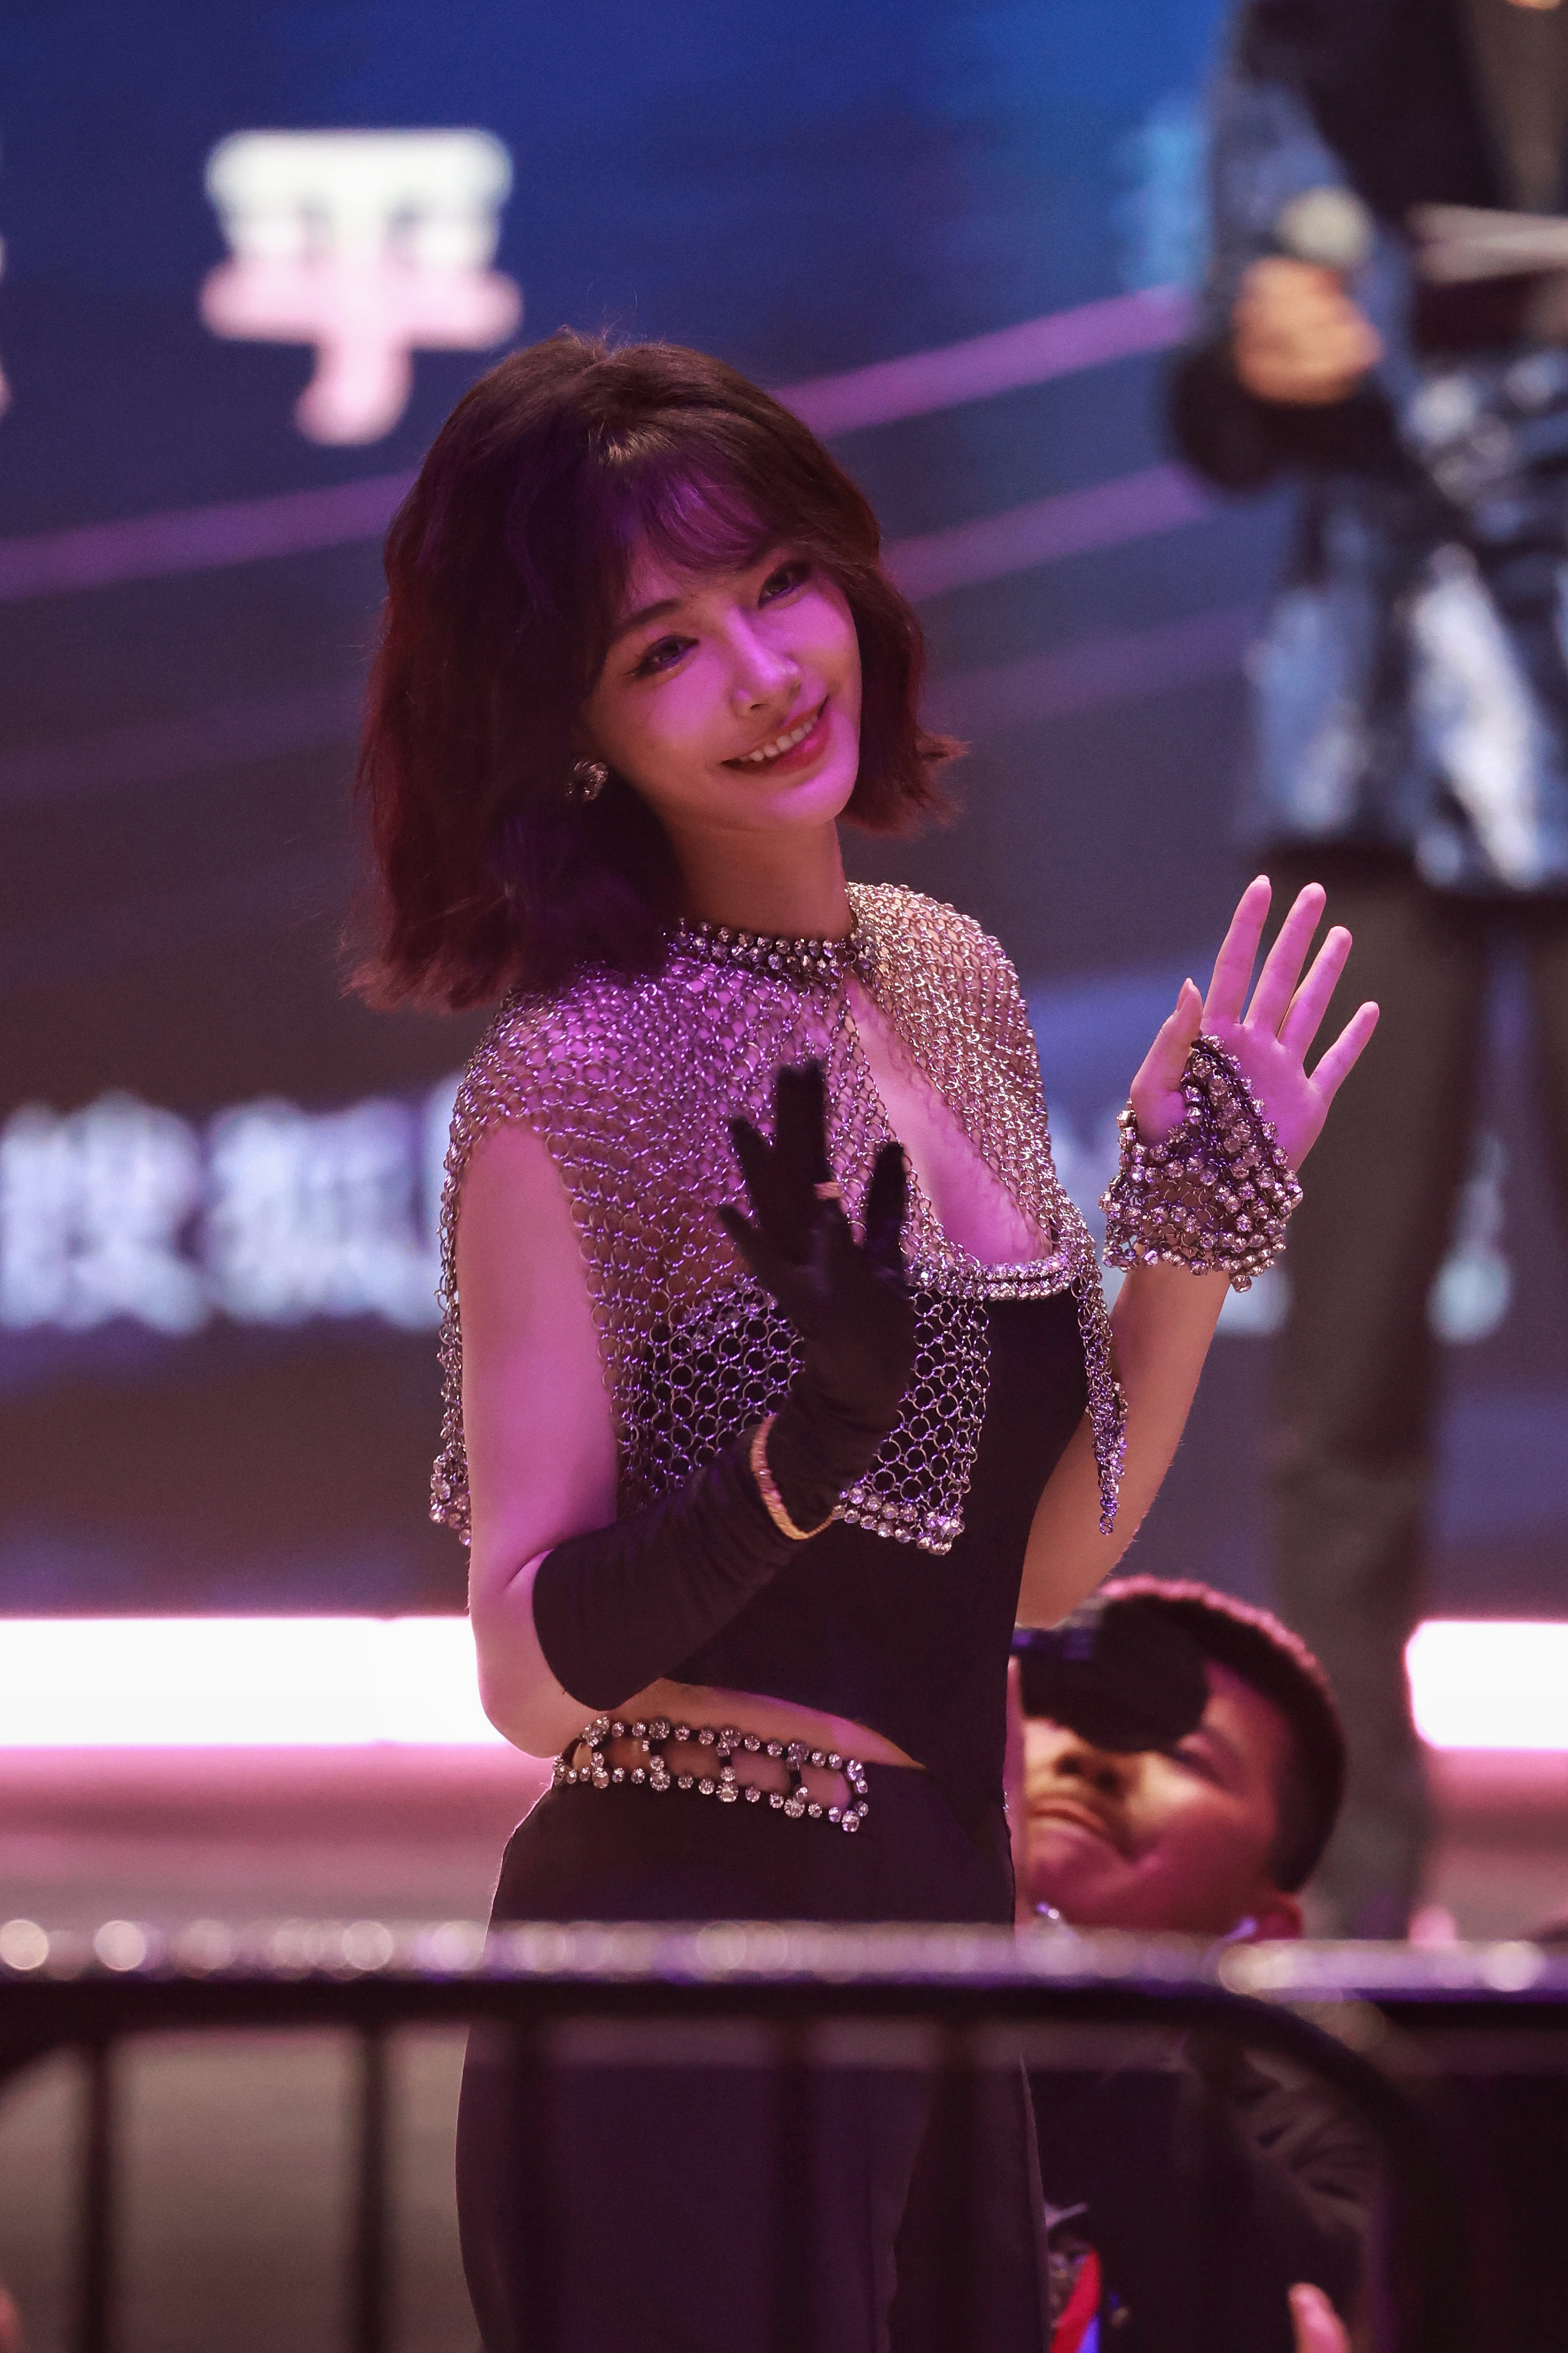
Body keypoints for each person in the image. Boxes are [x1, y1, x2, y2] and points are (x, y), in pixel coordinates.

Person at [355, 328, 1375, 2353]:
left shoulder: (948, 978)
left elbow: (1043, 1564)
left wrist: (1189, 1232)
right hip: (685, 1968)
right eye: (661, 648)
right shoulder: (573, 1080)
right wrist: (796, 1456)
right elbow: (528, 1676)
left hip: (942, 1943)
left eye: (779, 586)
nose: (762, 672)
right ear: (570, 729)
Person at [1169, 0, 1568, 1935]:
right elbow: (1217, 391)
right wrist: (1262, 356)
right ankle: (1346, 1895)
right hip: (1372, 755)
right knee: (1342, 1370)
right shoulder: (1314, 31)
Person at [1007, 1581, 1374, 2353]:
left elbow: (1299, 2301)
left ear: (1260, 1928)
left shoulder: (1324, 2145)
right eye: (1066, 1716)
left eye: (1181, 1752)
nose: (1095, 1758)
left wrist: (1048, 1978)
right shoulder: (828, 2025)